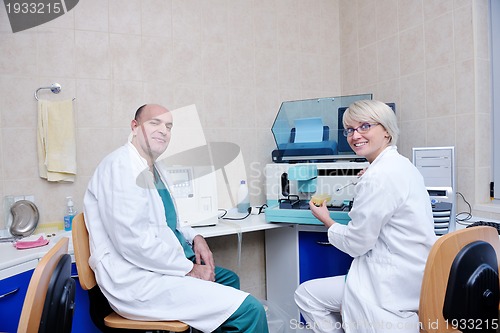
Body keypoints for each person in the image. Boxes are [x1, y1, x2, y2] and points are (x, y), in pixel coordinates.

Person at [83, 103, 269, 333]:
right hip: (139, 280)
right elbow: (134, 243)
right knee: (250, 311)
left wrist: (196, 237)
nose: (164, 130)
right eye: (155, 123)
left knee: (228, 279)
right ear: (134, 126)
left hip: (160, 267)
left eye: (169, 126)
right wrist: (189, 269)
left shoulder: (156, 169)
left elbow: (173, 220)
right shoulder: (121, 167)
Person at [294, 100, 437, 333]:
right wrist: (370, 176)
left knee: (306, 295)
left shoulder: (379, 175)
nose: (354, 136)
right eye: (350, 130)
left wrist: (327, 220)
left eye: (365, 126)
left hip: (389, 287)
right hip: (412, 275)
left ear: (387, 131)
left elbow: (356, 244)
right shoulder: (401, 165)